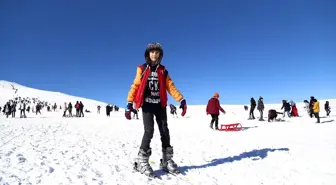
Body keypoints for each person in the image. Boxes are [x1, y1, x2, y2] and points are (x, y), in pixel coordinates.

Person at [125, 42, 187, 178]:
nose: (154, 54)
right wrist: (129, 102)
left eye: (157, 52)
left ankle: (166, 160)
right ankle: (142, 161)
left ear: (160, 55)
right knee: (149, 131)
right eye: (152, 52)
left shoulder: (163, 70)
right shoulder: (142, 68)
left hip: (160, 105)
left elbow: (170, 87)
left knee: (164, 130)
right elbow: (135, 86)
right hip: (147, 105)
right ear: (148, 54)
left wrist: (181, 99)